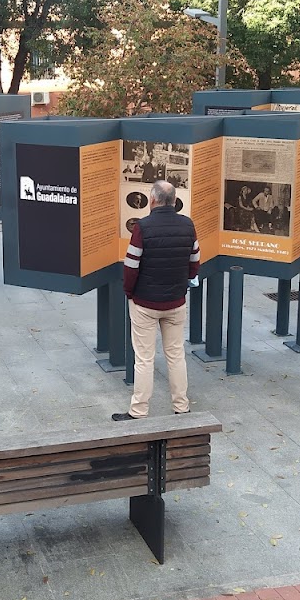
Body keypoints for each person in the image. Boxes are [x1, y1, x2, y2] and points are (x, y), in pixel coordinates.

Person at [113, 180, 200, 421]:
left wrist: (130, 293)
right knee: (176, 355)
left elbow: (131, 267)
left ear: (152, 200)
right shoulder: (187, 225)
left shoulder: (142, 227)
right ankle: (181, 407)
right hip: (176, 301)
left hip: (145, 303)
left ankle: (139, 411)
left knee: (144, 358)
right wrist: (184, 283)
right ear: (173, 201)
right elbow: (195, 262)